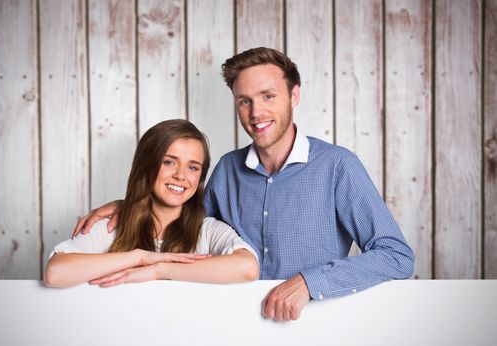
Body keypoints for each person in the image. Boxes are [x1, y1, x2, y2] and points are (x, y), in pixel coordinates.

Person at [73, 47, 414, 321]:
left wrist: (311, 283)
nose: (256, 112)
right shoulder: (227, 169)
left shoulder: (337, 166)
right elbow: (183, 222)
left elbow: (396, 256)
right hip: (229, 325)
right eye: (244, 100)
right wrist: (128, 204)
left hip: (311, 326)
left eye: (268, 96)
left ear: (294, 96)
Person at [45, 119, 259, 288]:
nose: (180, 176)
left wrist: (159, 270)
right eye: (169, 162)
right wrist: (139, 258)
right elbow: (56, 273)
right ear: (147, 166)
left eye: (192, 167)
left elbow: (248, 268)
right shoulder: (112, 227)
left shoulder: (209, 231)